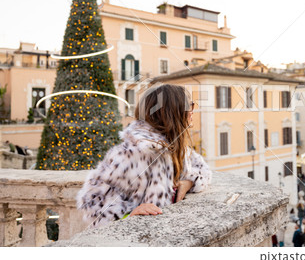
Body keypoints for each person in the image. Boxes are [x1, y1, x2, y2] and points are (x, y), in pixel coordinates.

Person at [76, 84, 212, 227]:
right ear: (172, 112)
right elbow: (91, 202)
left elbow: (204, 170)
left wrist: (189, 182)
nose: (192, 111)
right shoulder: (134, 153)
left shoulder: (176, 147)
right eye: (190, 106)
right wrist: (129, 214)